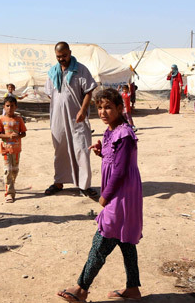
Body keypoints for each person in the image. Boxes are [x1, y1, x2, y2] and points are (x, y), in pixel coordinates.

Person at [56, 88, 143, 302]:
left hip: (121, 195)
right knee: (125, 241)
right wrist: (102, 151)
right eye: (100, 108)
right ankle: (133, 288)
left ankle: (81, 288)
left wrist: (105, 195)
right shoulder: (112, 130)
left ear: (120, 108)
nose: (103, 112)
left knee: (102, 240)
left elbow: (121, 170)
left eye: (108, 107)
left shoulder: (124, 134)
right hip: (123, 194)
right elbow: (113, 158)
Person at [44, 41, 98, 198]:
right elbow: (50, 93)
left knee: (82, 149)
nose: (61, 59)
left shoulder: (80, 70)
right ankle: (59, 182)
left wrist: (82, 109)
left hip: (77, 118)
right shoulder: (52, 72)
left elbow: (89, 91)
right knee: (60, 150)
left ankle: (85, 185)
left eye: (64, 56)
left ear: (70, 53)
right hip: (58, 119)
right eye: (58, 57)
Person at [0, 95, 27, 203]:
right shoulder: (1, 119)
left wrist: (17, 136)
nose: (10, 108)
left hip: (17, 150)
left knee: (15, 171)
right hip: (5, 149)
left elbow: (23, 133)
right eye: (7, 106)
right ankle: (9, 193)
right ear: (4, 107)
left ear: (16, 107)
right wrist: (8, 136)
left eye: (12, 106)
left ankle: (11, 185)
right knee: (7, 170)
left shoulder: (19, 119)